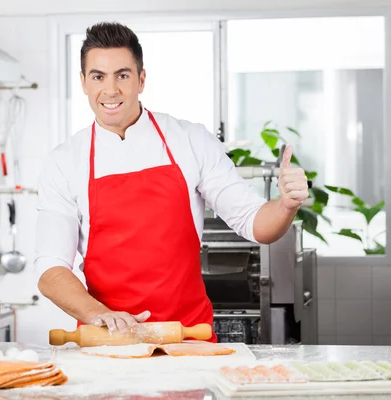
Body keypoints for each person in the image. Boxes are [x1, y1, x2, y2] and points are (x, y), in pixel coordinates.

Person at [34, 22, 309, 342]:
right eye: (98, 76)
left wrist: (286, 204)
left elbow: (255, 223)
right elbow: (51, 268)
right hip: (108, 344)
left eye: (122, 75)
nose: (110, 90)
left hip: (187, 339)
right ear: (83, 82)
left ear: (141, 79)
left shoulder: (189, 140)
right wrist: (100, 314)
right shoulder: (64, 161)